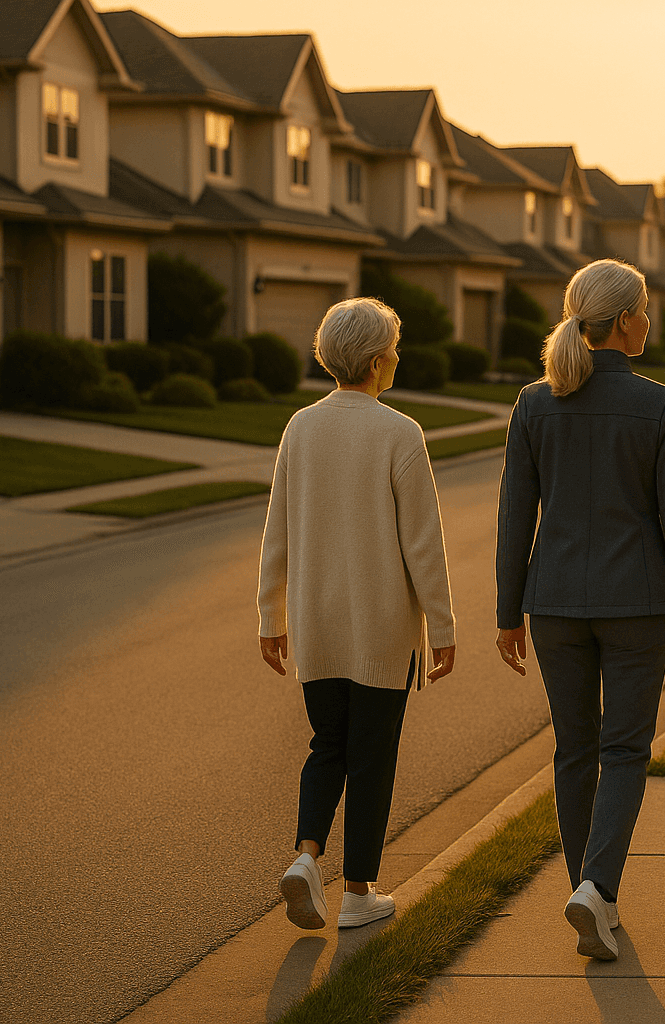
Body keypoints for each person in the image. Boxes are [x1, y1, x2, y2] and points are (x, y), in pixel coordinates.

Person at [495, 258, 665, 961]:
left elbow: (513, 516)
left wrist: (507, 611)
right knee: (624, 749)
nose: (649, 321)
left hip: (553, 601)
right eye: (644, 310)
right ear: (623, 321)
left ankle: (593, 897)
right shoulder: (659, 404)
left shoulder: (533, 403)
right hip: (638, 603)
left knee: (574, 750)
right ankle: (597, 889)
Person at [258, 297, 456, 932]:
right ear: (377, 361)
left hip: (316, 625)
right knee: (373, 756)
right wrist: (443, 627)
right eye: (393, 350)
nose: (396, 360)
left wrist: (271, 619)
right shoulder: (399, 432)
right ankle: (357, 894)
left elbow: (277, 533)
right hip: (380, 630)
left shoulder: (300, 427)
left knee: (327, 746)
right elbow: (422, 543)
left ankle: (306, 854)